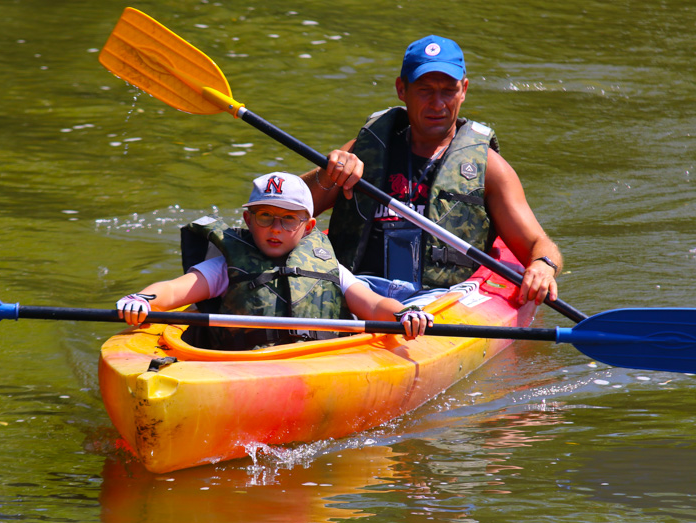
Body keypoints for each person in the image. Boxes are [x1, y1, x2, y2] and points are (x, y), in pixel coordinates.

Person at [301, 35, 562, 307]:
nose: (438, 103)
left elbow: (538, 244)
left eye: (448, 90)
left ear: (464, 90)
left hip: (442, 299)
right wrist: (328, 174)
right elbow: (285, 210)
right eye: (425, 90)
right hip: (358, 289)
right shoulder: (363, 152)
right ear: (402, 89)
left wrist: (543, 266)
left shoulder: (490, 169)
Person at [117, 172, 432, 351]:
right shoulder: (225, 265)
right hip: (242, 367)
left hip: (320, 362)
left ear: (308, 226)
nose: (275, 229)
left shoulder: (327, 264)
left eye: (288, 219)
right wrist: (143, 299)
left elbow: (374, 306)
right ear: (248, 220)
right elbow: (174, 291)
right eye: (265, 216)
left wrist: (405, 313)